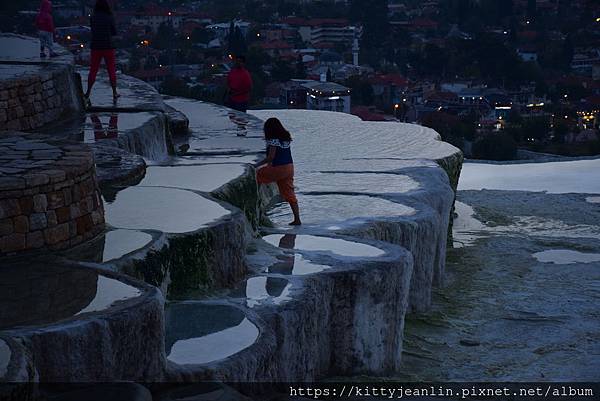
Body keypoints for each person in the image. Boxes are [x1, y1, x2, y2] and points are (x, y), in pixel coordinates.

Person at [255, 118, 301, 226]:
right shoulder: (286, 139)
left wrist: (256, 165)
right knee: (290, 194)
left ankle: (256, 200)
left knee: (257, 175)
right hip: (290, 167)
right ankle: (297, 219)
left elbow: (271, 157)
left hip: (279, 168)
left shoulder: (273, 140)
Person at [84, 0, 119, 102]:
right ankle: (114, 93)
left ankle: (88, 92)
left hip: (95, 46)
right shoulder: (109, 17)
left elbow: (92, 30)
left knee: (93, 69)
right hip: (108, 46)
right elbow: (114, 32)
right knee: (111, 70)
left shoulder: (93, 18)